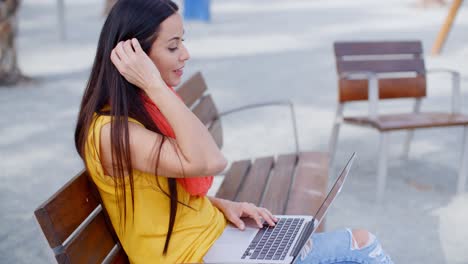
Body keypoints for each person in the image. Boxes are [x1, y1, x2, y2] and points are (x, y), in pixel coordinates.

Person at [74, 0, 393, 263]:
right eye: (173, 47)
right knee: (363, 247)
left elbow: (155, 193)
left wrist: (223, 207)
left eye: (183, 41)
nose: (185, 54)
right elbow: (212, 161)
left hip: (218, 241)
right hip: (197, 256)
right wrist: (155, 84)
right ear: (136, 57)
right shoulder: (114, 134)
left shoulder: (142, 111)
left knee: (352, 245)